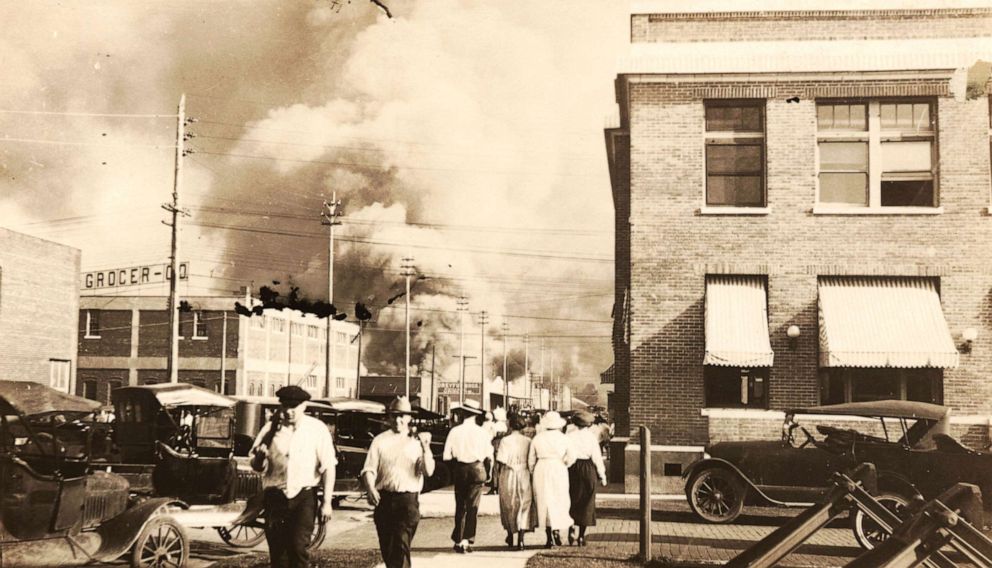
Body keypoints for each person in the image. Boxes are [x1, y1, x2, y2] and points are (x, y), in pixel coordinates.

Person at [250, 385, 336, 568]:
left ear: (304, 405)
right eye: (286, 406)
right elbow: (257, 467)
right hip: (275, 497)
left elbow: (329, 467)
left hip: (304, 497)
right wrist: (260, 456)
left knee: (298, 548)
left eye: (295, 406)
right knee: (278, 553)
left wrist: (327, 503)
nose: (290, 411)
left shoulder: (317, 429)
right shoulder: (269, 430)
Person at [361, 397, 435, 568]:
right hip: (384, 501)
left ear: (409, 418)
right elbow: (369, 469)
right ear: (388, 418)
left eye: (402, 416)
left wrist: (425, 448)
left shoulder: (417, 441)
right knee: (388, 550)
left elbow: (428, 471)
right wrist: (371, 488)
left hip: (407, 502)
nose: (398, 420)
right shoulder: (379, 440)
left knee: (400, 548)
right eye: (394, 416)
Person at [442, 399, 492, 554]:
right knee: (472, 507)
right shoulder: (482, 432)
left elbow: (446, 456)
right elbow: (489, 456)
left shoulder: (454, 431)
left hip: (460, 470)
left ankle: (458, 539)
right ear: (476, 415)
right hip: (477, 469)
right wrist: (489, 473)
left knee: (460, 506)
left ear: (463, 413)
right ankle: (467, 540)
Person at [528, 410, 575, 549]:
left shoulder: (538, 438)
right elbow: (572, 457)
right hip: (558, 468)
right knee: (559, 499)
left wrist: (532, 472)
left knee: (544, 500)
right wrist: (565, 463)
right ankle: (557, 529)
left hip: (541, 468)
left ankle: (548, 535)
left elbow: (531, 459)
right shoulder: (564, 438)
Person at [566, 410, 607, 546]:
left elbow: (565, 454)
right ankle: (582, 536)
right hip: (588, 467)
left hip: (572, 468)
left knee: (571, 497)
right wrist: (602, 475)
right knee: (587, 501)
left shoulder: (569, 436)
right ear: (588, 424)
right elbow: (597, 457)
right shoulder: (591, 438)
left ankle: (571, 526)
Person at [496, 413, 537, 549]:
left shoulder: (505, 441)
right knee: (524, 504)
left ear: (510, 424)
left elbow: (501, 460)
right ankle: (521, 537)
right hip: (524, 473)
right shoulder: (528, 441)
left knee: (509, 504)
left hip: (509, 473)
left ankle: (510, 532)